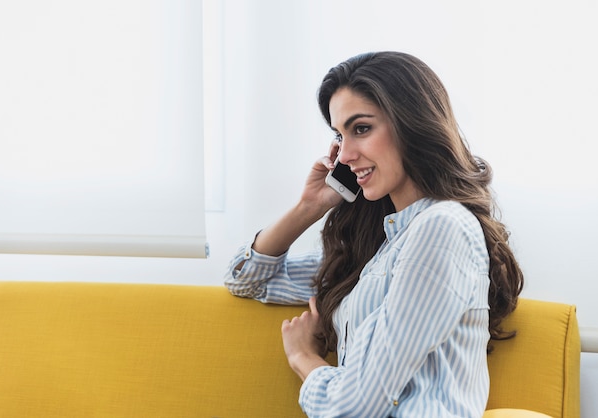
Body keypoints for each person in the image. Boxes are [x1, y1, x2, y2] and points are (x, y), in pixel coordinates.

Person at [224, 51, 524, 417]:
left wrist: (304, 358)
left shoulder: (441, 227)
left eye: (361, 129)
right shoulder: (380, 248)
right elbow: (246, 279)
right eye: (339, 135)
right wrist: (309, 207)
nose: (346, 154)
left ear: (412, 123)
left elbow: (356, 407)